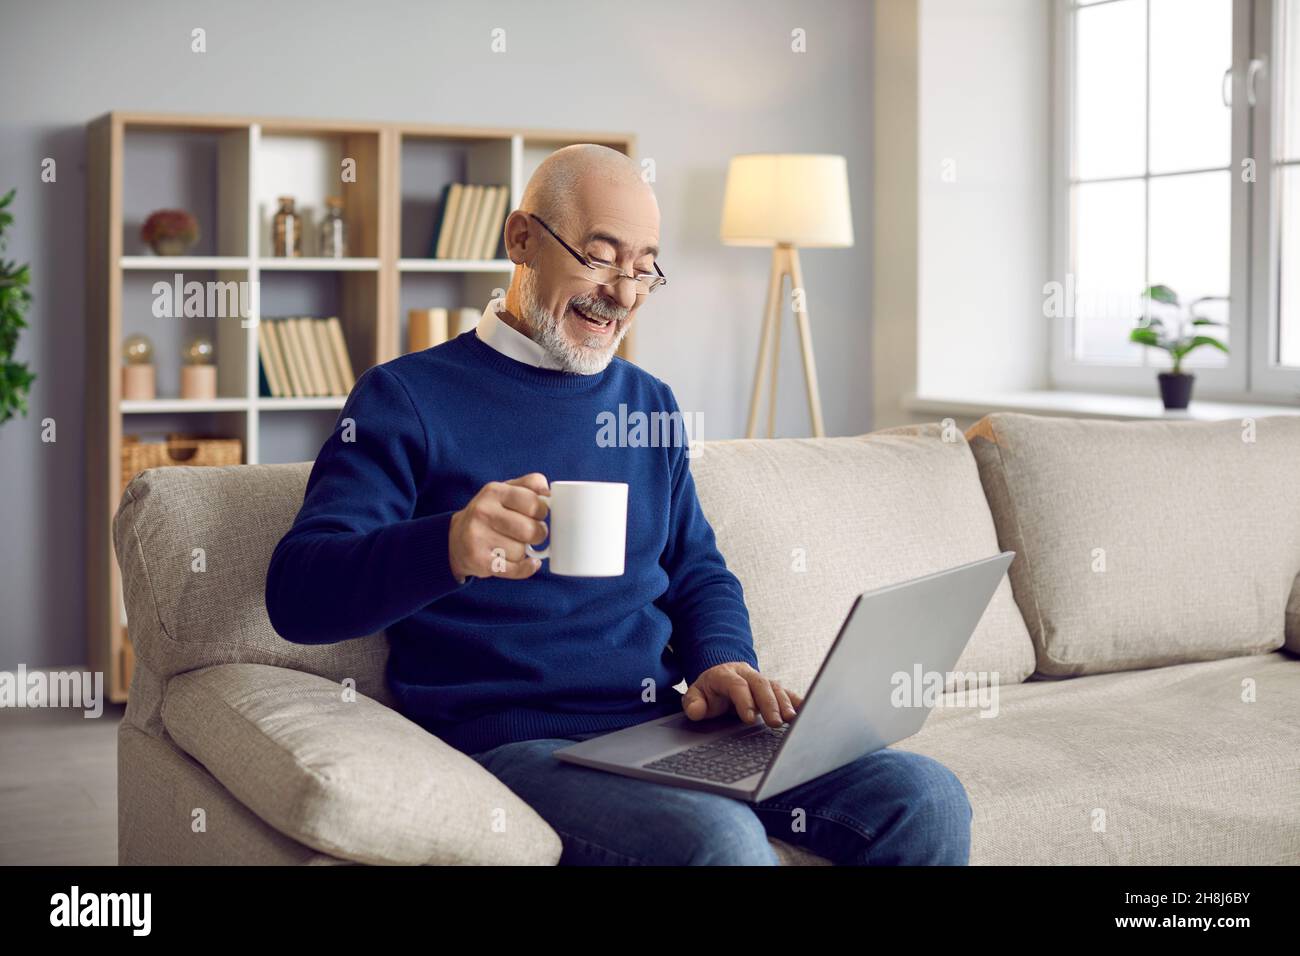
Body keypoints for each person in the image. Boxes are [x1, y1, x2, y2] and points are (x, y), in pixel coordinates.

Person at [265, 144, 972, 865]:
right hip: (513, 743)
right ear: (521, 239)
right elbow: (298, 595)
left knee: (922, 795)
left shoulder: (649, 404)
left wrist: (722, 662)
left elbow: (697, 569)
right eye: (600, 258)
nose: (625, 294)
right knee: (719, 843)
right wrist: (447, 545)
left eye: (643, 268)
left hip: (662, 728)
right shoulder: (406, 398)